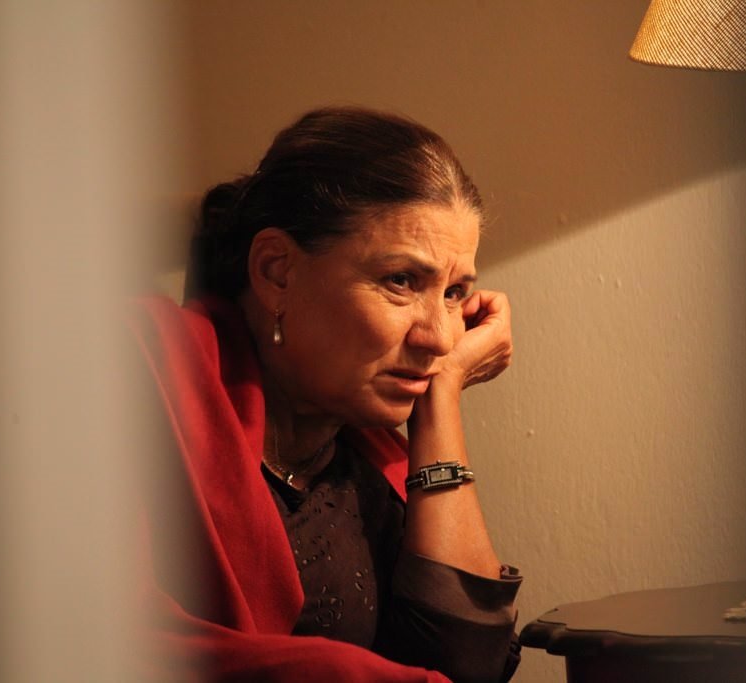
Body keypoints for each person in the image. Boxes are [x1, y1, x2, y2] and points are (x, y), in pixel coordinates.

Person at [128, 106, 521, 683]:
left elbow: (469, 663)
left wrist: (443, 395)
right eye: (401, 280)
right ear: (276, 272)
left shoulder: (366, 461)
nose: (441, 337)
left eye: (455, 292)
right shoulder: (137, 379)